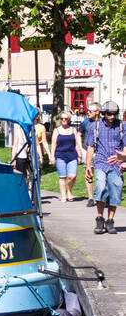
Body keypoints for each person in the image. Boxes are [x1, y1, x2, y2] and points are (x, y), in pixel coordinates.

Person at [86, 100, 126, 233]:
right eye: (109, 114)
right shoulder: (95, 126)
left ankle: (110, 221)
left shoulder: (122, 126)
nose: (112, 117)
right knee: (101, 187)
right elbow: (91, 146)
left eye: (115, 114)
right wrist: (88, 165)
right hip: (101, 161)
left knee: (116, 188)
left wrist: (124, 160)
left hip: (117, 162)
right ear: (104, 113)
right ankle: (99, 218)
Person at [49, 111, 84, 202]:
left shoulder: (73, 130)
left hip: (72, 156)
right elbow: (53, 145)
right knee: (62, 177)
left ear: (69, 119)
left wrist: (79, 155)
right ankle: (64, 195)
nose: (63, 120)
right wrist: (52, 157)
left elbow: (76, 144)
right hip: (60, 156)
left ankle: (69, 191)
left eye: (66, 118)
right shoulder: (56, 130)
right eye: (62, 119)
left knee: (72, 176)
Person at [81, 100, 101, 205]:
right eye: (87, 111)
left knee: (101, 174)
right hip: (87, 150)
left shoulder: (103, 122)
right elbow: (79, 134)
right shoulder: (85, 122)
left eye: (90, 111)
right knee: (88, 172)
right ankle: (90, 197)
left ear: (97, 112)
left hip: (100, 151)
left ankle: (102, 196)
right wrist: (79, 148)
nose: (88, 112)